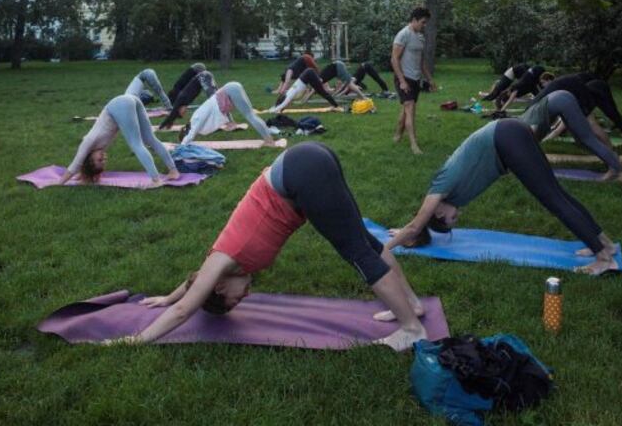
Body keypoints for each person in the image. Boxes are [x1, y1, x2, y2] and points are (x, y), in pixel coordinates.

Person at [112, 143, 429, 350]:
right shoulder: (220, 266)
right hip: (306, 161)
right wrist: (168, 296)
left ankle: (411, 329)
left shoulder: (222, 261)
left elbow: (186, 308)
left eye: (236, 301)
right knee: (365, 241)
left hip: (301, 172)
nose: (245, 297)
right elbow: (193, 285)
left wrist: (134, 340)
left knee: (357, 252)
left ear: (220, 288)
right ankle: (411, 304)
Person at [385, 119, 621, 275]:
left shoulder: (440, 187)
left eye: (452, 219)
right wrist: (403, 229)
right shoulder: (450, 199)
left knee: (555, 201)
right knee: (558, 196)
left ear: (438, 211)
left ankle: (603, 259)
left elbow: (417, 225)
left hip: (506, 138)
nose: (458, 215)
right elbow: (418, 225)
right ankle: (606, 245)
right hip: (508, 134)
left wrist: (385, 248)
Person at [59, 93, 179, 187]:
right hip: (129, 101)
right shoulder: (98, 149)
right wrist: (83, 176)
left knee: (136, 144)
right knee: (149, 139)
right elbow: (84, 167)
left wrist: (59, 183)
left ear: (89, 159)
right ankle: (173, 171)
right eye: (104, 160)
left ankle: (156, 180)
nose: (104, 156)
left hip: (119, 105)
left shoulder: (88, 142)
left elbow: (75, 164)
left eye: (99, 159)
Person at [519, 87, 622, 181]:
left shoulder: (523, 128)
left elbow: (532, 141)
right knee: (583, 141)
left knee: (588, 140)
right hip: (562, 97)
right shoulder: (522, 123)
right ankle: (614, 162)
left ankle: (619, 171)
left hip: (562, 101)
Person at [392, 7, 436, 155]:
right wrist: (402, 81)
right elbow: (394, 59)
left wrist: (429, 79)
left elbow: (421, 62)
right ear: (414, 20)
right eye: (423, 22)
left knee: (406, 110)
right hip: (404, 78)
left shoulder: (420, 37)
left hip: (416, 79)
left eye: (426, 23)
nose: (424, 25)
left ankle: (397, 135)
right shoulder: (403, 35)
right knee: (410, 109)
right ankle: (413, 144)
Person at [179, 81, 277, 146]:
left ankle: (269, 141)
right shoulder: (196, 123)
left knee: (250, 116)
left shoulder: (195, 121)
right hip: (231, 89)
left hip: (230, 90)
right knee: (251, 115)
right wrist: (230, 122)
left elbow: (192, 132)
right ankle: (268, 137)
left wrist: (183, 145)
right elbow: (217, 110)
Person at [268, 68, 340, 113]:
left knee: (322, 92)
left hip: (308, 75)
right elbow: (281, 102)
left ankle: (336, 105)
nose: (287, 105)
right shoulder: (287, 94)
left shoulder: (289, 96)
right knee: (320, 91)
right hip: (307, 75)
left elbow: (283, 104)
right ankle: (334, 103)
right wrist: (276, 108)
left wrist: (274, 110)